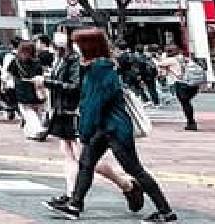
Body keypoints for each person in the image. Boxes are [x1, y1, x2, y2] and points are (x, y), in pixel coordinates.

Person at [46, 28, 175, 222]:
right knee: (86, 164)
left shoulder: (99, 70)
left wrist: (85, 131)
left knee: (134, 169)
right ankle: (75, 204)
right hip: (105, 127)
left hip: (113, 128)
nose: (75, 49)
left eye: (78, 45)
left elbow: (93, 104)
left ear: (88, 47)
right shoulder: (99, 67)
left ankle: (165, 211)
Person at [8, 41, 47, 140]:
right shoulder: (37, 62)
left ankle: (37, 130)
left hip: (23, 90)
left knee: (28, 112)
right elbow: (40, 75)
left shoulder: (15, 61)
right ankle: (32, 132)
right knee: (36, 111)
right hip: (37, 89)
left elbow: (11, 74)